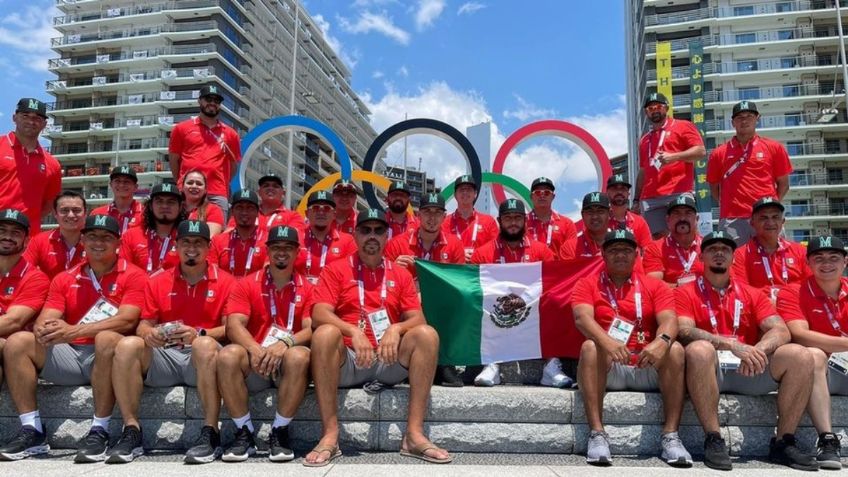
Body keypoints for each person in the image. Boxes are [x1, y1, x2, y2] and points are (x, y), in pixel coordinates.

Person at [305, 208, 451, 466]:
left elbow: (418, 319)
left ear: (387, 236)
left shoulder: (400, 273)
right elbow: (318, 313)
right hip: (349, 360)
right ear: (354, 234)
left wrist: (396, 329)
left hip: (387, 358)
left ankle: (414, 436)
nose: (372, 236)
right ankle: (330, 435)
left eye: (379, 230)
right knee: (325, 333)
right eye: (365, 230)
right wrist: (352, 330)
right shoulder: (336, 269)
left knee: (427, 334)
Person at [0, 215, 145, 462]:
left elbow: (127, 320)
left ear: (118, 243)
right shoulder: (65, 277)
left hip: (110, 359)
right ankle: (32, 429)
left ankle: (100, 429)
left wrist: (73, 331)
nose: (98, 243)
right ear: (82, 241)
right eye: (92, 237)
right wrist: (46, 329)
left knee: (107, 338)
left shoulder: (134, 275)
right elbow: (47, 318)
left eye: (106, 238)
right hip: (70, 355)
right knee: (18, 342)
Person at [676, 231, 817, 471]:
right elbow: (684, 331)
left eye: (725, 249)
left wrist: (759, 349)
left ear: (733, 257)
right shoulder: (686, 291)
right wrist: (732, 345)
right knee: (699, 349)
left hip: (748, 368)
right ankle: (714, 438)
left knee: (800, 355)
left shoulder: (751, 293)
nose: (719, 253)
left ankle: (784, 443)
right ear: (701, 257)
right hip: (709, 370)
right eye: (712, 249)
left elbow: (781, 330)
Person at [107, 220, 236, 464]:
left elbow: (231, 328)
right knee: (127, 345)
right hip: (165, 355)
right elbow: (144, 323)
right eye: (186, 242)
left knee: (204, 344)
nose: (192, 248)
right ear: (175, 246)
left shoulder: (227, 281)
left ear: (209, 248)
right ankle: (131, 430)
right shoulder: (156, 280)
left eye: (198, 243)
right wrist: (148, 334)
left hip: (201, 357)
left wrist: (200, 333)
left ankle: (211, 432)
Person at [572, 229, 691, 467]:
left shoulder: (654, 285)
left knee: (675, 349)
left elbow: (670, 320)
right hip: (610, 367)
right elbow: (582, 319)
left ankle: (671, 437)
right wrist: (608, 343)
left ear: (637, 254)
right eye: (614, 250)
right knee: (590, 347)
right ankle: (597, 434)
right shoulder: (587, 283)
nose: (620, 255)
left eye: (626, 250)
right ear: (603, 254)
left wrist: (662, 341)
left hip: (645, 363)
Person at [218, 225, 314, 462]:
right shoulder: (247, 283)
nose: (282, 252)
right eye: (276, 247)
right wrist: (255, 349)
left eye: (288, 248)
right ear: (267, 250)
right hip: (256, 361)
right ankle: (244, 432)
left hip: (288, 363)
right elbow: (234, 325)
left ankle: (279, 431)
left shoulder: (309, 286)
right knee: (228, 354)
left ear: (297, 252)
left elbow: (312, 327)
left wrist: (285, 343)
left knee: (300, 355)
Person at [776, 235, 848, 470]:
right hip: (824, 371)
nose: (826, 263)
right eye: (819, 258)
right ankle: (827, 439)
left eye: (834, 257)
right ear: (808, 263)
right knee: (814, 354)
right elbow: (800, 335)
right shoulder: (792, 291)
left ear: (845, 262)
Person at [470, 199, 558, 387]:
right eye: (508, 218)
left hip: (531, 310)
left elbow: (551, 283)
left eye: (518, 218)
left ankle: (551, 366)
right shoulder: (483, 253)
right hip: (496, 311)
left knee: (554, 300)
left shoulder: (541, 250)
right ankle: (491, 364)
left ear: (525, 221)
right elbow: (474, 290)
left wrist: (525, 299)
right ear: (499, 221)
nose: (513, 223)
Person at [707, 101, 792, 245]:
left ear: (757, 118)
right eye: (739, 117)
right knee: (734, 264)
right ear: (733, 122)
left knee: (773, 261)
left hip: (766, 217)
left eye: (749, 116)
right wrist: (731, 205)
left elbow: (784, 184)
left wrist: (770, 207)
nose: (744, 120)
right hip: (733, 219)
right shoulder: (718, 153)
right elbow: (714, 188)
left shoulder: (774, 147)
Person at [633, 92, 706, 238]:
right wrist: (636, 199)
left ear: (666, 108)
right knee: (659, 240)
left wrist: (674, 157)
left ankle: (697, 261)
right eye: (650, 108)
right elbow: (643, 171)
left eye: (658, 106)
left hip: (678, 191)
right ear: (646, 113)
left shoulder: (683, 126)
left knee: (687, 235)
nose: (654, 110)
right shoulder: (644, 140)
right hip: (651, 197)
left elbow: (700, 151)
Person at [168, 84, 241, 216]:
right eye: (208, 99)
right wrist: (181, 182)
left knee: (216, 235)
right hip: (187, 191)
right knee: (183, 232)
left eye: (216, 101)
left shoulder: (231, 134)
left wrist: (219, 180)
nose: (212, 103)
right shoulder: (181, 128)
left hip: (217, 193)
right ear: (199, 101)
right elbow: (174, 160)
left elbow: (233, 165)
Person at [0, 210, 49, 393]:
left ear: (27, 241)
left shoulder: (35, 277)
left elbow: (13, 321)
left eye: (15, 233)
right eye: (2, 230)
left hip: (16, 349)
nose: (7, 237)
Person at [0, 98, 62, 236]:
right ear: (14, 118)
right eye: (25, 116)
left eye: (37, 118)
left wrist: (26, 219)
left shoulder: (52, 164)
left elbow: (50, 203)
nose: (31, 121)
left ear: (44, 124)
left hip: (27, 236)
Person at [731, 198, 809, 301]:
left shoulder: (800, 251)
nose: (770, 222)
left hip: (796, 307)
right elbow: (742, 291)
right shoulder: (740, 254)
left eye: (775, 217)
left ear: (782, 222)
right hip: (760, 310)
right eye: (763, 218)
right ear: (752, 222)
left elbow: (810, 286)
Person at [385, 192, 465, 282]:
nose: (432, 217)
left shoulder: (455, 245)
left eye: (437, 212)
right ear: (418, 215)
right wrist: (392, 270)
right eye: (427, 212)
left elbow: (460, 283)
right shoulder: (396, 244)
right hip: (407, 295)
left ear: (444, 217)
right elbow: (384, 283)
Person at [120, 182, 184, 274]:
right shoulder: (130, 236)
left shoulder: (187, 239)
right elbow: (124, 273)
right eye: (159, 201)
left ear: (180, 207)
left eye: (171, 202)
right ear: (150, 206)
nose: (165, 206)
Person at [294, 191, 356, 285]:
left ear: (334, 214)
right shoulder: (294, 237)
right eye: (315, 208)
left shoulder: (348, 241)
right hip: (299, 296)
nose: (321, 212)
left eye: (327, 208)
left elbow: (353, 276)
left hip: (334, 296)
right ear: (307, 213)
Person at [643, 195, 704, 287]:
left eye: (688, 213)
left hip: (704, 300)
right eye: (676, 213)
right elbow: (653, 285)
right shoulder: (655, 248)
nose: (682, 218)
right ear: (668, 220)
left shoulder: (708, 246)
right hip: (670, 299)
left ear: (697, 219)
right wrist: (682, 287)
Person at [24, 191, 86, 278]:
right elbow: (24, 271)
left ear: (85, 213)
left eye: (76, 210)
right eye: (64, 210)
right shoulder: (39, 241)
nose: (71, 215)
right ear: (55, 214)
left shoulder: (95, 242)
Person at [209, 189, 267, 277]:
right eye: (239, 207)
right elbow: (212, 274)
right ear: (232, 211)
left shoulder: (268, 242)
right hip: (225, 290)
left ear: (257, 212)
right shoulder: (217, 241)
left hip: (254, 290)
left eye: (250, 208)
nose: (244, 212)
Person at [442, 175, 498, 262]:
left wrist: (476, 255)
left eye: (468, 189)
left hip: (479, 272)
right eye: (461, 190)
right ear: (455, 195)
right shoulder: (444, 223)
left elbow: (495, 249)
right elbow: (440, 249)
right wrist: (459, 253)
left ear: (475, 194)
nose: (465, 192)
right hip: (454, 272)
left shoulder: (489, 222)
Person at [227, 174, 306, 233]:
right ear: (259, 192)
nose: (270, 188)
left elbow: (296, 240)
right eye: (266, 186)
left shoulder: (293, 216)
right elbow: (229, 233)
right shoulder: (245, 213)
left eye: (275, 186)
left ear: (283, 193)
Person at [526, 177, 576, 255]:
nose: (542, 195)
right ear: (531, 197)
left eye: (546, 192)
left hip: (559, 267)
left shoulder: (567, 224)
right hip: (531, 267)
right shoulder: (521, 224)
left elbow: (570, 255)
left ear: (553, 196)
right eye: (538, 192)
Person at [89, 166, 144, 234]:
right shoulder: (97, 214)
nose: (121, 185)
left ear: (136, 187)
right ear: (111, 185)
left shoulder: (146, 214)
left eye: (127, 181)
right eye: (117, 181)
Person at [606, 174, 652, 249]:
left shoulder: (639, 221)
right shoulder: (600, 221)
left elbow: (648, 250)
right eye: (615, 188)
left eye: (623, 189)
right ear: (607, 193)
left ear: (628, 194)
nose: (619, 192)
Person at [182, 170, 224, 236]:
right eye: (190, 183)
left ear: (205, 190)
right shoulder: (175, 208)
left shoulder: (213, 210)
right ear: (182, 187)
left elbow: (210, 237)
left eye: (199, 184)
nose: (194, 186)